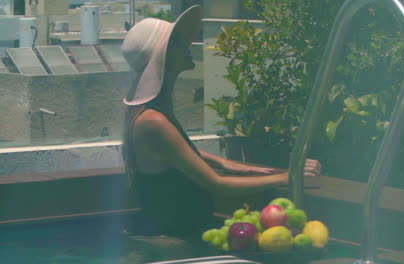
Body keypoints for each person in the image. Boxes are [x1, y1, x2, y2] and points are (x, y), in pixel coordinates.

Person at [121, 5, 321, 261]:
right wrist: (288, 177)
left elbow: (174, 151)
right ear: (167, 56)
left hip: (172, 238)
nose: (190, 46)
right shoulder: (154, 121)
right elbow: (218, 185)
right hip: (178, 246)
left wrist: (222, 161)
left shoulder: (146, 113)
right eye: (180, 42)